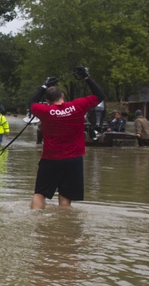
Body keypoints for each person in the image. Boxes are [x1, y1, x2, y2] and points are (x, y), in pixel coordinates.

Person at [28, 67, 105, 209]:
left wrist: (44, 86)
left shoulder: (44, 111)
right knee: (65, 198)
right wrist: (86, 77)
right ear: (62, 95)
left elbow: (31, 103)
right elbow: (100, 95)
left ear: (47, 100)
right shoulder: (78, 106)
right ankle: (64, 226)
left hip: (50, 159)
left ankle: (35, 222)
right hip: (73, 160)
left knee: (39, 193)